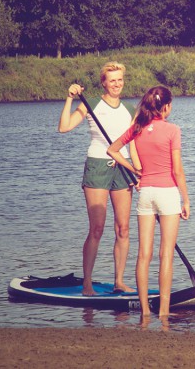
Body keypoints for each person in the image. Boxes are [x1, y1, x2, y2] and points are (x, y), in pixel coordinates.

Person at [106, 85, 190, 317]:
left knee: (144, 255)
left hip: (146, 194)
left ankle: (144, 312)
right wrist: (186, 199)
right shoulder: (173, 130)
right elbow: (178, 170)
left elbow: (112, 150)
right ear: (166, 107)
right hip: (168, 194)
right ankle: (162, 312)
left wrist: (135, 169)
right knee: (166, 255)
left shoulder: (138, 128)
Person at [57, 62, 137, 296]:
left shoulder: (130, 109)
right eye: (112, 80)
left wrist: (138, 171)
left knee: (123, 229)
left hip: (123, 167)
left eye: (120, 79)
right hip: (98, 166)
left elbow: (134, 145)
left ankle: (119, 282)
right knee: (97, 228)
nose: (117, 84)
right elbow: (64, 127)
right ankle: (88, 284)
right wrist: (70, 99)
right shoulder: (91, 104)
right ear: (103, 82)